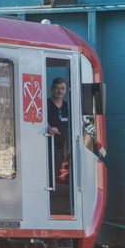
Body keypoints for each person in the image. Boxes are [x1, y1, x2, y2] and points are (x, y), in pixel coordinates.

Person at [47, 76, 73, 215]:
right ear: (52, 89)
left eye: (62, 88)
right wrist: (49, 128)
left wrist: (68, 148)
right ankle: (47, 206)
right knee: (48, 178)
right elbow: (38, 118)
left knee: (60, 177)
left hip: (62, 148)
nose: (60, 91)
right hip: (48, 147)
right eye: (57, 88)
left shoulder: (68, 106)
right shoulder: (46, 104)